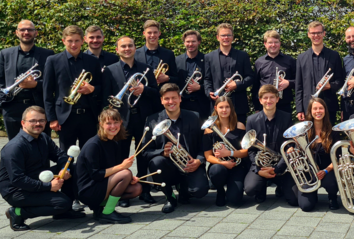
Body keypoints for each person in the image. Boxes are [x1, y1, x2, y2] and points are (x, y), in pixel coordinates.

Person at [0, 106, 84, 231]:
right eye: (33, 121)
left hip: (38, 179)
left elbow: (60, 156)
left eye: (41, 120)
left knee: (73, 168)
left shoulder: (43, 138)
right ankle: (17, 213)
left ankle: (63, 212)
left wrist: (64, 169)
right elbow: (18, 179)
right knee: (62, 203)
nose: (38, 124)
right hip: (17, 191)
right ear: (23, 123)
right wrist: (49, 187)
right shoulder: (15, 147)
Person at [102, 36, 159, 205]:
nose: (127, 49)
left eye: (130, 46)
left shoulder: (146, 68)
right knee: (121, 156)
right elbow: (106, 97)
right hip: (121, 119)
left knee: (143, 155)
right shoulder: (110, 70)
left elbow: (156, 94)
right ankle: (122, 192)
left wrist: (144, 89)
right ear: (117, 50)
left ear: (135, 48)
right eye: (123, 46)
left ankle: (145, 190)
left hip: (143, 118)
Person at [140, 83, 208, 213]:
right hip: (168, 167)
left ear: (180, 98)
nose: (171, 102)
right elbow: (145, 151)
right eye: (166, 98)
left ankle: (184, 188)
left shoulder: (194, 117)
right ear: (161, 101)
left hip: (190, 165)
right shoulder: (152, 120)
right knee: (156, 162)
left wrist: (199, 161)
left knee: (199, 191)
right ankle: (169, 196)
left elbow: (203, 145)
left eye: (174, 98)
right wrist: (162, 153)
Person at [75, 109, 141, 224]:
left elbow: (112, 170)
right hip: (88, 190)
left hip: (100, 185)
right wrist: (122, 168)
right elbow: (95, 175)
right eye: (108, 123)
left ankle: (100, 209)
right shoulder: (93, 145)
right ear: (101, 124)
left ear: (121, 123)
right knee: (125, 172)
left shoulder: (114, 142)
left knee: (137, 188)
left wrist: (129, 179)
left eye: (116, 123)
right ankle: (108, 213)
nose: (113, 126)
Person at [43, 25, 102, 150]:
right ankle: (67, 171)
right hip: (65, 117)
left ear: (82, 41)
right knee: (65, 154)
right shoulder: (53, 60)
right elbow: (47, 93)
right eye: (70, 41)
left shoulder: (93, 61)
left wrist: (92, 89)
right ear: (64, 41)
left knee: (89, 153)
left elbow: (101, 86)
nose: (73, 44)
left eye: (76, 41)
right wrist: (52, 119)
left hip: (89, 116)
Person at [243, 85, 297, 205]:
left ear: (277, 99)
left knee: (294, 200)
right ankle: (261, 187)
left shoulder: (286, 117)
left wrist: (277, 168)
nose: (269, 101)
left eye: (272, 97)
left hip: (282, 166)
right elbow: (251, 150)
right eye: (265, 98)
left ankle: (281, 187)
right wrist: (258, 169)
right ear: (260, 100)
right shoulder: (251, 120)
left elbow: (289, 146)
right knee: (250, 189)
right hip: (261, 167)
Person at [0, 20, 54, 139]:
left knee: (41, 147)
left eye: (30, 30)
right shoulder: (5, 54)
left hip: (38, 107)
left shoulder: (48, 54)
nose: (26, 32)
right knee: (14, 148)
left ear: (35, 33)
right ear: (17, 33)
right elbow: (1, 82)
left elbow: (52, 82)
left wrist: (35, 85)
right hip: (12, 108)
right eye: (22, 30)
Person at [291, 97, 341, 211]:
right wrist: (293, 149)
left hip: (328, 170)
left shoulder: (333, 132)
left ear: (325, 110)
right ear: (310, 111)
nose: (318, 111)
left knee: (332, 183)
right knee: (305, 206)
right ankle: (313, 196)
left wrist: (325, 171)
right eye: (315, 109)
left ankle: (332, 197)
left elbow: (337, 158)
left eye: (320, 108)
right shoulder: (303, 131)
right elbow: (298, 154)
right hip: (309, 172)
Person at [204, 23, 255, 123]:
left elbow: (250, 77)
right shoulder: (209, 57)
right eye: (223, 35)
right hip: (218, 104)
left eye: (229, 35)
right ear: (217, 37)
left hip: (238, 105)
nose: (226, 38)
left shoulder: (242, 55)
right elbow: (207, 79)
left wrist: (237, 84)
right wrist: (209, 92)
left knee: (239, 134)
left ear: (233, 37)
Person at [295, 21, 344, 123]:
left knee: (329, 136)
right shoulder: (301, 58)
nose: (316, 35)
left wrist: (330, 86)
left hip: (329, 106)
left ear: (324, 34)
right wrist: (299, 109)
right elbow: (299, 86)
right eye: (313, 33)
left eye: (319, 33)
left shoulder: (334, 56)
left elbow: (340, 80)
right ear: (308, 35)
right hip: (308, 106)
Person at [203, 97, 248, 207]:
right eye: (221, 107)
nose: (224, 110)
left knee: (234, 199)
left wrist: (229, 153)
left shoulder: (240, 126)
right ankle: (220, 190)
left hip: (237, 166)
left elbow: (245, 151)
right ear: (215, 108)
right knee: (217, 171)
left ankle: (232, 187)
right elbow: (208, 156)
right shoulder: (209, 129)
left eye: (227, 107)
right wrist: (223, 162)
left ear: (231, 109)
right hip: (219, 166)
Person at [253, 30, 296, 114]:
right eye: (270, 42)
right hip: (264, 105)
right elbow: (255, 86)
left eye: (276, 42)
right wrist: (256, 107)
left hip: (284, 105)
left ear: (280, 43)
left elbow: (299, 81)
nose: (273, 45)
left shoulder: (290, 60)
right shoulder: (259, 62)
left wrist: (288, 83)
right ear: (265, 44)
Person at [176, 30, 210, 121]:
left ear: (199, 42)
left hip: (202, 105)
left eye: (193, 41)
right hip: (183, 104)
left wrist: (200, 87)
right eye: (188, 41)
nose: (190, 44)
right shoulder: (177, 60)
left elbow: (212, 81)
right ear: (184, 43)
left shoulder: (207, 59)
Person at [135, 20, 178, 89]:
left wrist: (167, 78)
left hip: (162, 95)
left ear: (159, 33)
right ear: (144, 33)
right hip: (142, 96)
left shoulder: (169, 54)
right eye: (149, 33)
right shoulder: (135, 54)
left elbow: (176, 79)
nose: (152, 35)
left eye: (155, 32)